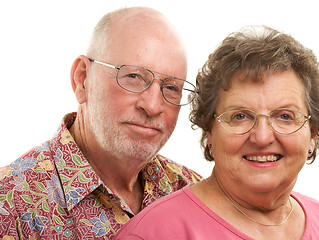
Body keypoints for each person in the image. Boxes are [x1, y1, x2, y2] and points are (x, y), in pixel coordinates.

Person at [115, 25, 319, 239]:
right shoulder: (153, 233)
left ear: (313, 133)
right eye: (240, 116)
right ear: (209, 133)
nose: (262, 137)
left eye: (285, 116)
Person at [0, 7, 202, 239]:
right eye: (133, 77)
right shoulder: (10, 204)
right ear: (83, 79)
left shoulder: (192, 192)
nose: (154, 106)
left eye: (171, 88)